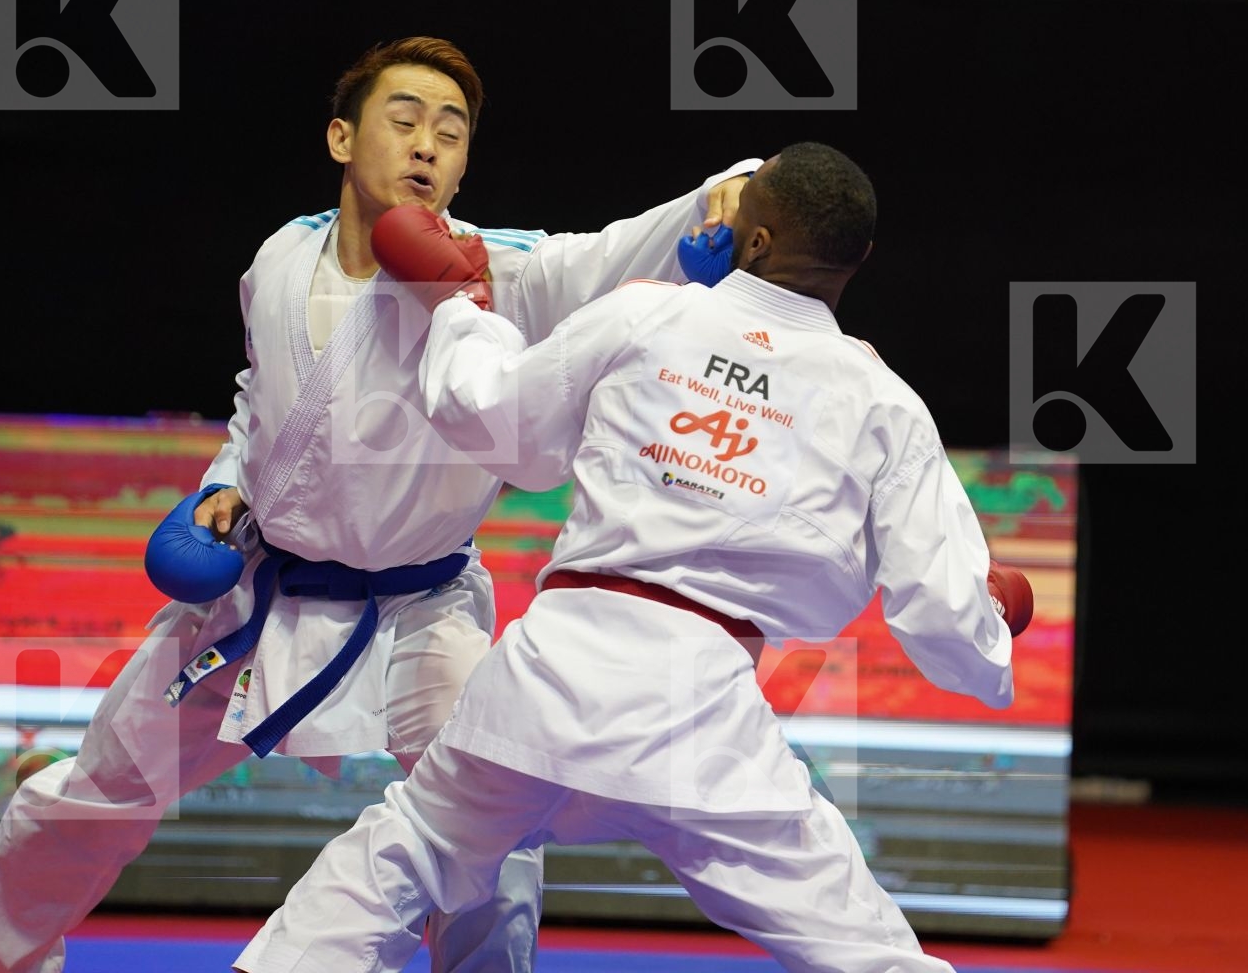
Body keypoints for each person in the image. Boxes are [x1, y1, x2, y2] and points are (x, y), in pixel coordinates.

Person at [0, 36, 757, 973]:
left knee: (491, 841)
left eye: (451, 133)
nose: (428, 146)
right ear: (342, 138)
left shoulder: (503, 275)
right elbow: (259, 407)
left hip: (424, 613)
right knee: (88, 795)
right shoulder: (279, 258)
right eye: (405, 120)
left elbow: (629, 244)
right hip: (261, 595)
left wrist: (743, 184)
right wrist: (225, 486)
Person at [232, 142, 1033, 973]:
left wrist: (462, 306)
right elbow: (939, 612)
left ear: (748, 241)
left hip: (553, 672)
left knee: (407, 849)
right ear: (857, 260)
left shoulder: (648, 312)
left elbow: (495, 420)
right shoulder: (885, 402)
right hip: (702, 712)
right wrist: (988, 628)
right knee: (864, 949)